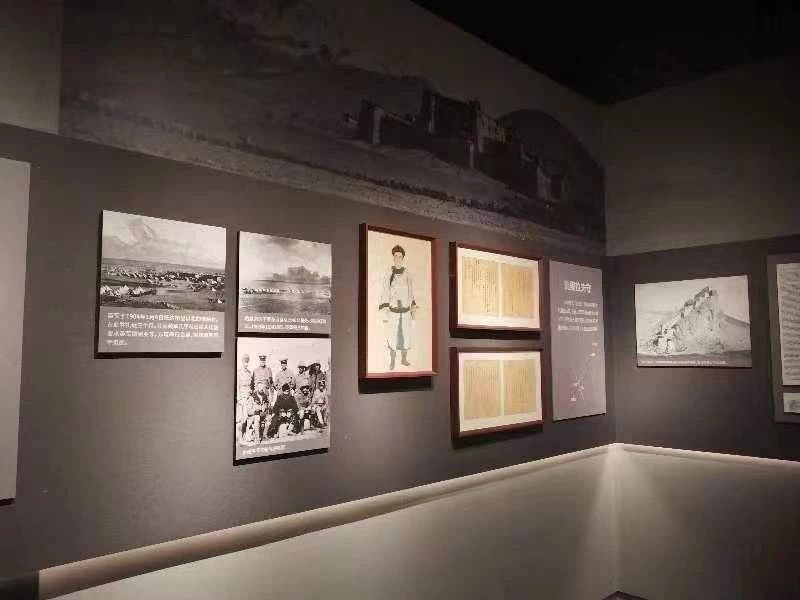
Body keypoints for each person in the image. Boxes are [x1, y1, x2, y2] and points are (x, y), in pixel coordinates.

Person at [379, 244, 417, 370]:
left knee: (405, 336)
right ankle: (392, 361)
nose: (398, 259)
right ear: (393, 257)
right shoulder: (388, 273)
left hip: (405, 312)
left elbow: (411, 291)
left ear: (403, 258)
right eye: (396, 256)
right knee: (392, 337)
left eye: (400, 257)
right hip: (393, 311)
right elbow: (385, 291)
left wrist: (412, 309)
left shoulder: (408, 273)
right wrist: (385, 310)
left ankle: (404, 359)